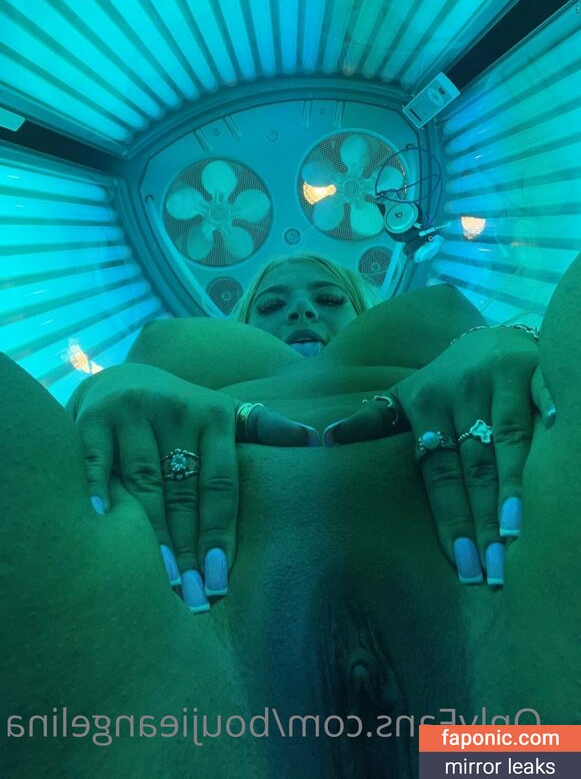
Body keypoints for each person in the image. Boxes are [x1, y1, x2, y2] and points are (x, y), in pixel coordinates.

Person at [1, 250, 579, 778]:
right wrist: (101, 395)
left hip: (486, 732)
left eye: (328, 297)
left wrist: (523, 350)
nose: (301, 309)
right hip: (173, 672)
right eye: (271, 304)